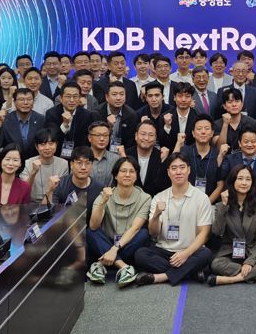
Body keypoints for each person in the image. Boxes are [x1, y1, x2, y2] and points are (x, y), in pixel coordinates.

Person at [131, 153, 213, 286]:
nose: (178, 172)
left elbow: (204, 234)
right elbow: (153, 232)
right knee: (140, 254)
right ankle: (190, 272)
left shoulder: (201, 198)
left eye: (182, 167)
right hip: (164, 251)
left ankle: (161, 277)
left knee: (206, 254)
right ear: (168, 172)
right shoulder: (159, 197)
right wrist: (156, 215)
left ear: (189, 170)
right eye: (174, 168)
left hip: (190, 250)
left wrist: (185, 254)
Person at [207, 164, 256, 286]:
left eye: (248, 179)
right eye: (240, 179)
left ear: (252, 182)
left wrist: (250, 262)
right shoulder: (221, 205)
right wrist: (224, 206)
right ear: (233, 181)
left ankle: (230, 279)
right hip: (230, 253)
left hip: (253, 252)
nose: (244, 183)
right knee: (216, 264)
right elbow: (217, 231)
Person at [87, 157, 151, 287]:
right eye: (123, 171)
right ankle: (124, 267)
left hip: (127, 244)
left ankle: (100, 264)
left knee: (143, 234)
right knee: (90, 232)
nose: (127, 174)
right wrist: (103, 202)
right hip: (107, 241)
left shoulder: (145, 197)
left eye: (131, 171)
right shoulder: (105, 194)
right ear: (115, 175)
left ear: (136, 176)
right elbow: (93, 225)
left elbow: (135, 228)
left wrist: (114, 249)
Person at [219, 126, 256, 218]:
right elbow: (220, 175)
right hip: (233, 203)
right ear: (239, 143)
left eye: (253, 141)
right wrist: (220, 156)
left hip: (255, 205)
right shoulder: (230, 159)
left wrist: (251, 205)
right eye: (246, 141)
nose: (250, 144)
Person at [45, 82, 101, 158]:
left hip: (79, 156)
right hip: (56, 155)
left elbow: (85, 141)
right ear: (61, 98)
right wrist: (64, 125)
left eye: (75, 96)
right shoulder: (52, 113)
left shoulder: (87, 115)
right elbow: (52, 138)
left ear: (80, 98)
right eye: (68, 96)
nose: (72, 100)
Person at [178, 115, 226, 203]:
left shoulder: (218, 154)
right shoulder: (185, 151)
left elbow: (220, 185)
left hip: (210, 204)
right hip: (186, 202)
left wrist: (206, 203)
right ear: (193, 133)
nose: (203, 132)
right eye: (199, 129)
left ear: (212, 133)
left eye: (207, 129)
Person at [49, 146, 103, 221]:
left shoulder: (99, 188)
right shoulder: (60, 184)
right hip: (63, 224)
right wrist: (50, 190)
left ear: (92, 165)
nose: (83, 167)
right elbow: (51, 212)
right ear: (71, 164)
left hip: (88, 226)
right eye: (79, 163)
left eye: (87, 163)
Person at [20, 128, 69, 202]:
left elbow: (63, 190)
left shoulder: (63, 164)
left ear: (56, 144)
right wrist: (33, 172)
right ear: (36, 146)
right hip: (31, 204)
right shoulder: (28, 163)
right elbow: (23, 190)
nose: (47, 148)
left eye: (51, 143)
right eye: (43, 144)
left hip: (54, 203)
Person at [0, 87, 46, 158]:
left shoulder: (41, 119)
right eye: (21, 99)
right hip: (13, 161)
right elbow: (1, 145)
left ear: (33, 102)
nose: (26, 102)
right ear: (14, 102)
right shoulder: (6, 119)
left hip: (36, 160)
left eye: (29, 99)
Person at [213, 88, 256, 154]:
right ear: (224, 106)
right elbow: (219, 148)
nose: (234, 105)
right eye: (230, 102)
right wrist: (225, 124)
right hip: (224, 159)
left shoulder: (253, 123)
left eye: (237, 101)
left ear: (242, 104)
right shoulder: (217, 124)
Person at [97, 80, 139, 153]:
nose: (118, 98)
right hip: (101, 151)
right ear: (107, 97)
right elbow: (95, 138)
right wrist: (108, 127)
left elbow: (130, 142)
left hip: (123, 152)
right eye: (114, 94)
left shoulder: (131, 115)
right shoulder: (97, 113)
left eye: (122, 94)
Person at [133, 120, 171, 197]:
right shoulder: (126, 155)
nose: (146, 138)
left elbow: (164, 185)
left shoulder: (161, 156)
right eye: (143, 134)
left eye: (151, 135)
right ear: (136, 136)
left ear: (155, 138)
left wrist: (163, 162)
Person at [87, 121, 122, 186]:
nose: (102, 139)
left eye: (105, 135)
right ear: (89, 138)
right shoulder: (82, 157)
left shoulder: (116, 159)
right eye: (98, 135)